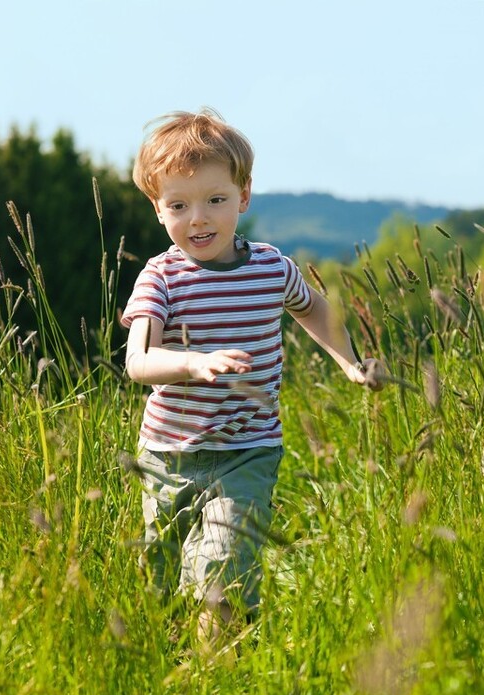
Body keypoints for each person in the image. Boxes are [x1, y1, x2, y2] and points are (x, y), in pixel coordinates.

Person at [121, 108, 385, 649]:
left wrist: (348, 362)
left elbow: (314, 309)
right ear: (158, 209)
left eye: (215, 200)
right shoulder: (161, 276)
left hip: (248, 452)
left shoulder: (271, 268)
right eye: (179, 205)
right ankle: (173, 678)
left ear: (243, 196)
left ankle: (212, 677)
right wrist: (194, 363)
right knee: (164, 586)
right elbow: (137, 362)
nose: (199, 219)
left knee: (223, 573)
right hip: (169, 455)